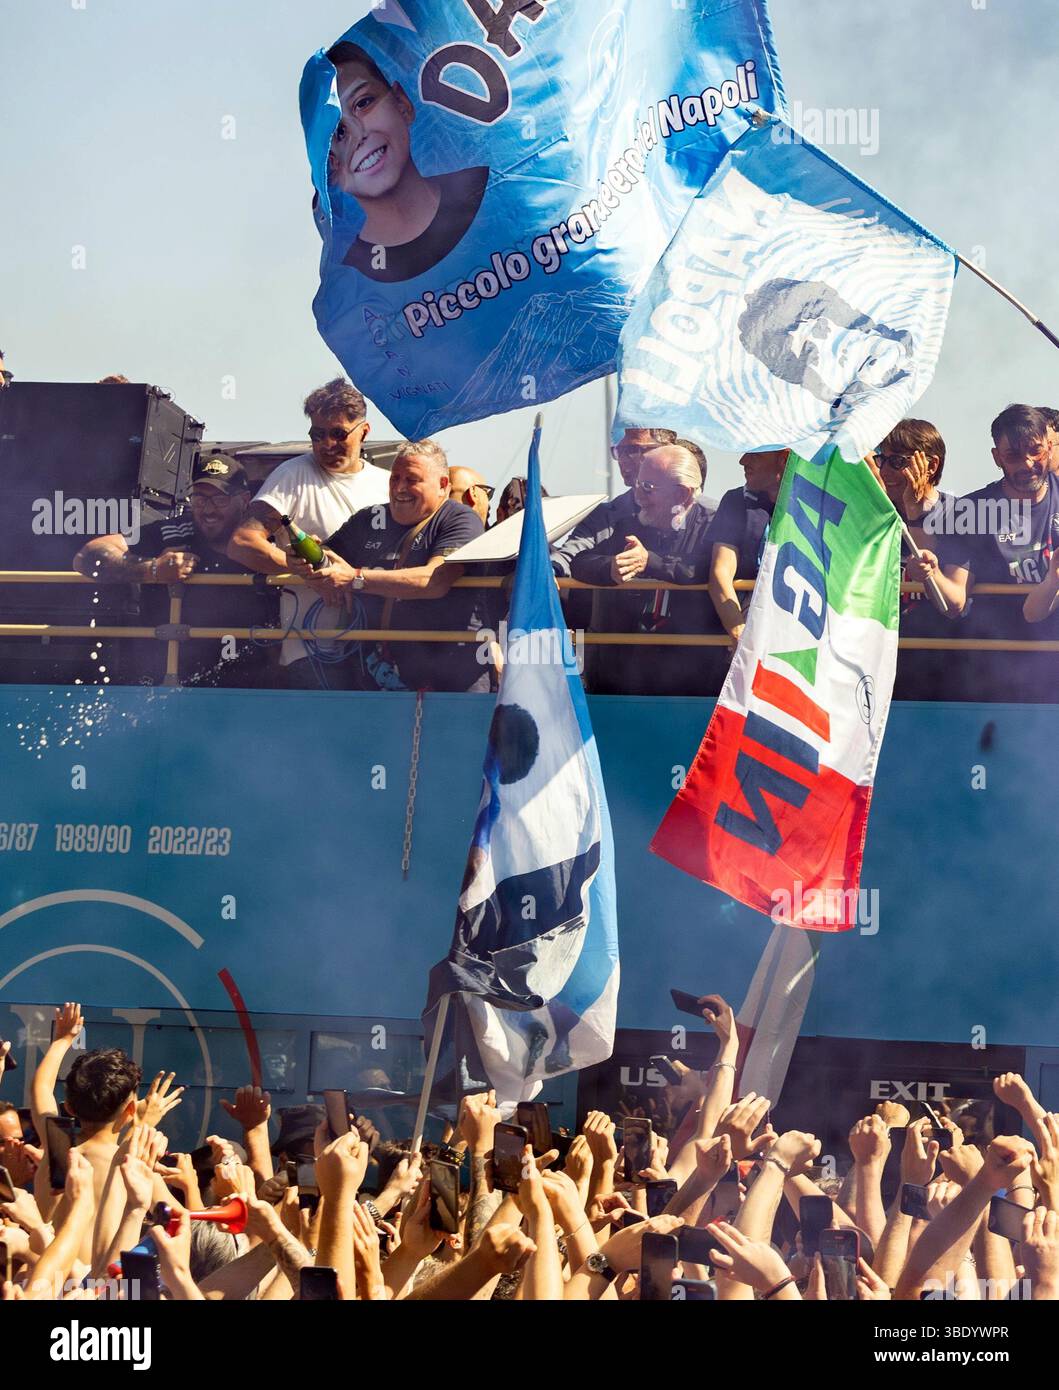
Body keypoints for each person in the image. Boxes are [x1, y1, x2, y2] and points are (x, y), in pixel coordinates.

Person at [227, 379, 390, 689]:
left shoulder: (388, 484)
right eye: (317, 434)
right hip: (312, 650)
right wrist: (297, 569)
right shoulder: (292, 475)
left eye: (338, 434)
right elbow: (242, 543)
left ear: (364, 432)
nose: (327, 444)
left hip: (377, 651)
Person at [292, 439, 489, 693]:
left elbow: (434, 581)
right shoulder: (370, 517)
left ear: (442, 485)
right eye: (395, 478)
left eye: (412, 480)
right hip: (375, 675)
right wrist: (303, 561)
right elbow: (327, 556)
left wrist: (354, 578)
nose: (399, 488)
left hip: (452, 679)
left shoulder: (460, 519)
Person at [74, 454, 273, 689]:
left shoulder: (265, 543)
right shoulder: (173, 531)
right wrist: (153, 569)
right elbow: (86, 557)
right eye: (199, 499)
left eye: (220, 500)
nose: (208, 510)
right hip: (167, 678)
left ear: (245, 500)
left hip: (249, 682)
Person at [910, 403, 1059, 700]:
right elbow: (954, 601)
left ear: (1050, 447)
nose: (1027, 463)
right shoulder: (971, 512)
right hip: (995, 664)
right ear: (996, 458)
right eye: (1013, 455)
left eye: (1035, 451)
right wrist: (931, 574)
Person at [327, 41, 488, 283]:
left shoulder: (491, 189)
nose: (358, 135)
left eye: (363, 103)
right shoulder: (354, 282)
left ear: (402, 104)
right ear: (331, 168)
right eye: (338, 132)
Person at [570, 443, 720, 696]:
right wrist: (611, 568)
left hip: (692, 679)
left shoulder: (715, 524)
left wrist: (650, 562)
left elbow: (706, 569)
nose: (637, 496)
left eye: (647, 488)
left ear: (682, 494)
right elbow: (581, 562)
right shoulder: (631, 524)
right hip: (625, 676)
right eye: (638, 484)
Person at [706, 449, 790, 646]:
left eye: (755, 454)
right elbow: (720, 572)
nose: (742, 461)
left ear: (783, 459)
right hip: (750, 623)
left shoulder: (818, 502)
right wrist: (738, 630)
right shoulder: (736, 500)